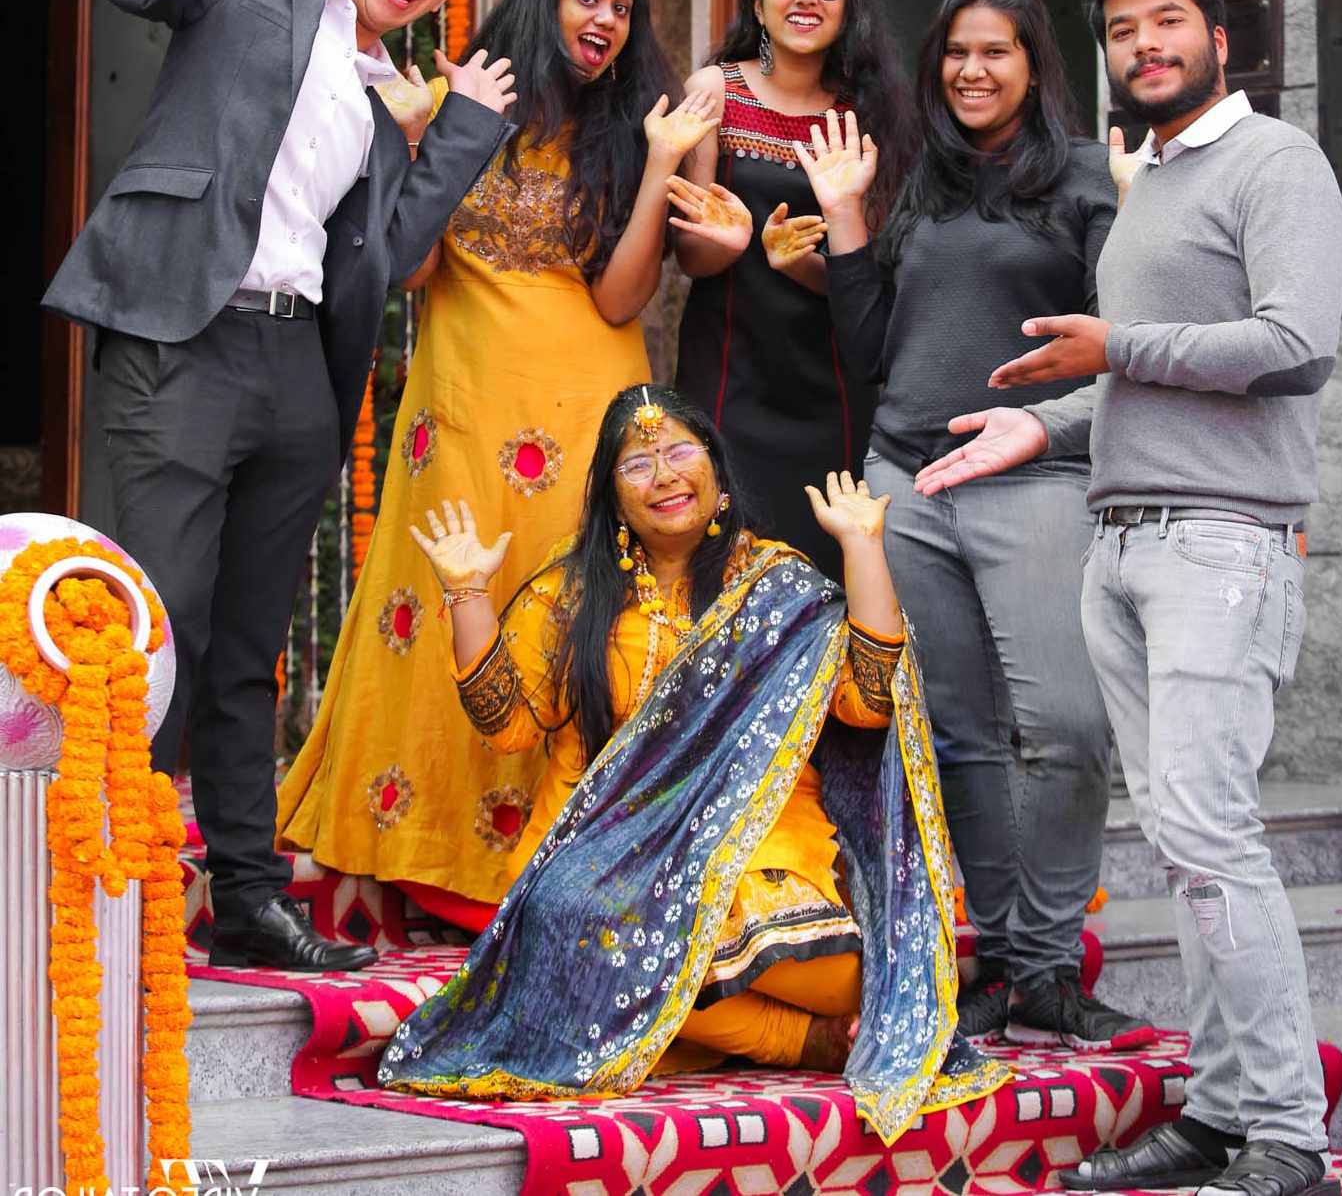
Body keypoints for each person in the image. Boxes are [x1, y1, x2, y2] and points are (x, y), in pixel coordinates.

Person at [41, 0, 517, 972]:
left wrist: (454, 128)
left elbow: (392, 253)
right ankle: (124, 882)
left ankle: (247, 893)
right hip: (183, 335)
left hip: (297, 367)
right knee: (162, 624)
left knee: (252, 642)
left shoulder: (384, 96)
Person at [915, 0, 1342, 1196]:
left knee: (1214, 836)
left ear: (1221, 37)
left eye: (1167, 22)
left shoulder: (1279, 162)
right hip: (1122, 537)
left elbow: (1293, 343)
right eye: (1120, 30)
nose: (1144, 45)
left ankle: (1287, 1139)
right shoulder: (1149, 180)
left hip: (1219, 545)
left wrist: (1115, 344)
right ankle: (1218, 1113)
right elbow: (1145, 382)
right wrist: (1039, 424)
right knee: (1180, 842)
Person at [373, 383, 1007, 1138]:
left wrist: (863, 549)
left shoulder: (779, 587)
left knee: (715, 964)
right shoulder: (572, 592)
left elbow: (868, 704)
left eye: (679, 452)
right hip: (599, 875)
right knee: (594, 944)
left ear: (715, 471)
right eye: (637, 463)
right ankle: (799, 1044)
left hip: (759, 854)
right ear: (611, 495)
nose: (665, 475)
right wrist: (468, 592)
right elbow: (508, 725)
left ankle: (745, 1013)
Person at [276, 0, 723, 925]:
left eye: (620, 6)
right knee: (445, 602)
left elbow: (621, 299)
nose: (603, 21)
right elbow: (410, 269)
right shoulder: (451, 106)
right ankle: (427, 856)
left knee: (571, 614)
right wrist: (418, 142)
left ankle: (563, 865)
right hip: (466, 406)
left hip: (587, 393)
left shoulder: (625, 132)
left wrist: (659, 167)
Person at [794, 0, 1153, 1053]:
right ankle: (1001, 961)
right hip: (910, 479)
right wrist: (849, 219)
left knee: (1068, 726)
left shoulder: (1091, 180)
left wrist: (1140, 217)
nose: (970, 70)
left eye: (994, 50)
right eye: (955, 51)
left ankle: (1047, 961)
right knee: (957, 733)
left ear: (1034, 62)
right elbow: (870, 349)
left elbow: (1134, 348)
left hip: (1037, 475)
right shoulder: (926, 186)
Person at [668, 0, 912, 581]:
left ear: (849, 3)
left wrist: (802, 262)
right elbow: (690, 258)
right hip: (730, 375)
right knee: (721, 571)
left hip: (834, 386)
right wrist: (734, 240)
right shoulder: (715, 90)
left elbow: (878, 280)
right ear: (757, 2)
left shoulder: (870, 112)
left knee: (829, 576)